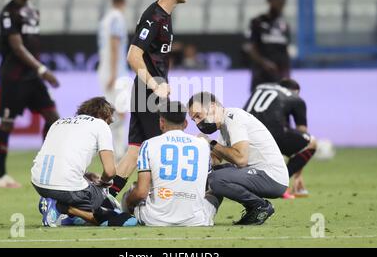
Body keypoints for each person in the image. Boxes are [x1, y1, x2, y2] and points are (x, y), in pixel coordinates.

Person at [108, 0, 189, 197]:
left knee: (135, 149)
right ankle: (162, 198)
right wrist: (155, 85)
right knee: (161, 147)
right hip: (150, 92)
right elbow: (133, 55)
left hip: (149, 91)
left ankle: (106, 199)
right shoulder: (153, 17)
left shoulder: (164, 16)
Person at [0, 0, 60, 188]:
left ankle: (45, 165)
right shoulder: (8, 13)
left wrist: (39, 72)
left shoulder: (33, 12)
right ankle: (2, 175)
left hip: (32, 78)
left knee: (53, 118)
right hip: (13, 78)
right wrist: (42, 69)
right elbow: (17, 48)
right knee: (7, 123)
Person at [31, 97, 137, 227]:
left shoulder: (58, 122)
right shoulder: (100, 124)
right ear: (104, 115)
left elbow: (59, 158)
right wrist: (103, 182)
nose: (109, 124)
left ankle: (55, 206)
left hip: (38, 183)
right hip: (66, 188)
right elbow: (110, 172)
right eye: (109, 121)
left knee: (83, 185)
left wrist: (85, 177)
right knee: (109, 201)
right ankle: (64, 208)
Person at [188, 92, 289, 225]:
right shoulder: (225, 124)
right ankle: (204, 213)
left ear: (212, 106)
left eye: (198, 116)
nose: (197, 122)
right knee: (210, 174)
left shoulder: (234, 118)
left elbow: (241, 159)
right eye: (193, 119)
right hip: (263, 175)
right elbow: (215, 160)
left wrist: (211, 143)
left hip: (272, 177)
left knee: (216, 179)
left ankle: (260, 206)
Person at [122, 101, 219, 226]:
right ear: (185, 123)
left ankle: (125, 218)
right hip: (196, 220)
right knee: (215, 192)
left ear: (161, 122)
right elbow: (206, 184)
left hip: (154, 220)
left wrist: (130, 201)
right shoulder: (203, 144)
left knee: (131, 192)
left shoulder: (149, 144)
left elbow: (141, 192)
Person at [244, 78, 317, 198]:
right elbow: (302, 136)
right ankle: (280, 182)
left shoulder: (261, 86)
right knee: (311, 142)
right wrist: (298, 173)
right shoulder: (296, 98)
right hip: (269, 133)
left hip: (244, 130)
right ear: (295, 91)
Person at [97, 0, 129, 158]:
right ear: (124, 2)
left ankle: (115, 150)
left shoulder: (106, 19)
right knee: (119, 112)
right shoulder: (117, 18)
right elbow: (115, 45)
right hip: (116, 72)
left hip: (106, 69)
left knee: (113, 111)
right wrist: (115, 74)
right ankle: (114, 150)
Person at [246, 0, 291, 91]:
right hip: (262, 74)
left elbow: (285, 49)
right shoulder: (257, 22)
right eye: (278, 3)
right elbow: (252, 48)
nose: (281, 6)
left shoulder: (284, 25)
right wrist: (264, 62)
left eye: (283, 4)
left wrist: (287, 73)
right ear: (270, 1)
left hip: (280, 74)